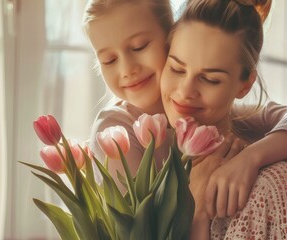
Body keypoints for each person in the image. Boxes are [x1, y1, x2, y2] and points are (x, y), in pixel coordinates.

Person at [83, 0, 287, 218]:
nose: (127, 70)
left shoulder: (219, 116)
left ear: (169, 39)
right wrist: (195, 204)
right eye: (109, 60)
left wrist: (251, 158)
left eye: (140, 46)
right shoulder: (117, 131)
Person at [159, 0, 287, 238]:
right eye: (177, 69)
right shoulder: (137, 150)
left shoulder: (264, 189)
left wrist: (251, 157)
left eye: (211, 79)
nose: (186, 91)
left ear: (245, 84)